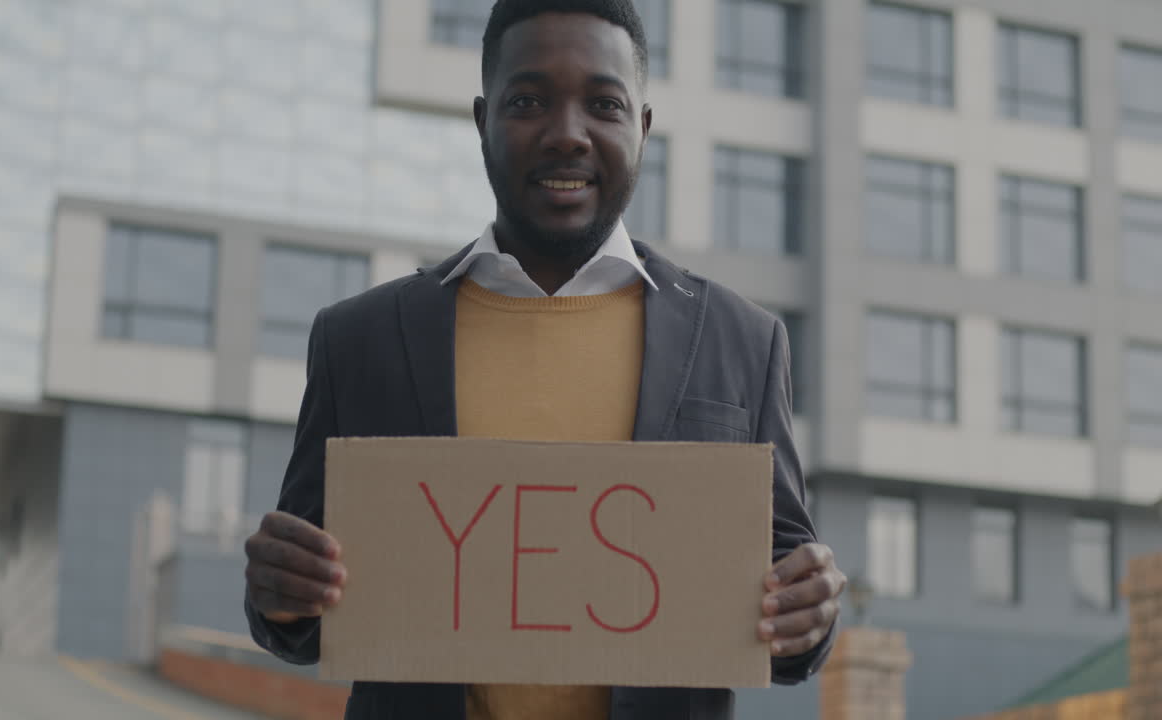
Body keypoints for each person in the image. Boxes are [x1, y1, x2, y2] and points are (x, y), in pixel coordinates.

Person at [243, 1, 846, 717]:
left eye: (604, 104)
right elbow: (304, 619)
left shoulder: (740, 342)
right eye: (528, 101)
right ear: (482, 121)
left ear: (643, 129)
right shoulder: (361, 340)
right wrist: (280, 598)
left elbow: (788, 621)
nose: (567, 134)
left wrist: (810, 611)